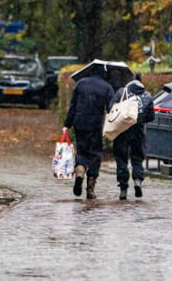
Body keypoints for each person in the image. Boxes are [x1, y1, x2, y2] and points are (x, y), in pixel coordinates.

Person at [63, 71, 114, 199]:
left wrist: (67, 124)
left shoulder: (80, 83)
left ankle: (80, 173)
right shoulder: (107, 87)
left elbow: (73, 106)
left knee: (81, 150)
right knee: (95, 154)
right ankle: (90, 189)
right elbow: (111, 109)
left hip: (79, 123)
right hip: (95, 124)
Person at [109, 75, 154, 200]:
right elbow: (151, 116)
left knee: (121, 158)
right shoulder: (147, 96)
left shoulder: (121, 93)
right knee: (137, 157)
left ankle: (123, 188)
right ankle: (137, 180)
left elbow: (111, 108)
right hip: (138, 130)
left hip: (122, 130)